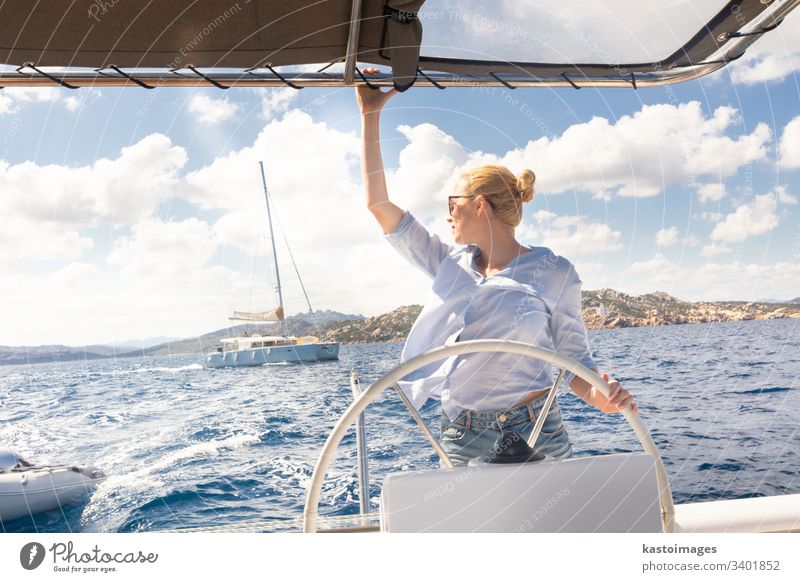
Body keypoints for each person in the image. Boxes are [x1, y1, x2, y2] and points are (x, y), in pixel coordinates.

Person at [356, 81, 638, 466]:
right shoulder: (446, 262)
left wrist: (601, 396)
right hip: (461, 432)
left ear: (480, 206)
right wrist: (369, 114)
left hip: (536, 427)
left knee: (559, 525)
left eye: (452, 204)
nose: (447, 214)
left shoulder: (554, 272)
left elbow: (574, 363)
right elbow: (378, 204)